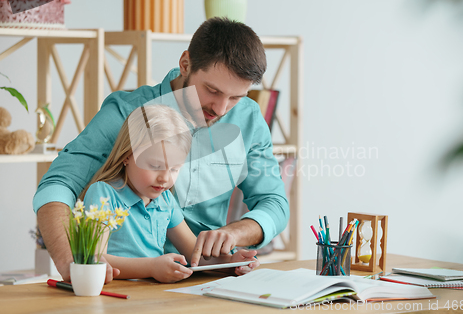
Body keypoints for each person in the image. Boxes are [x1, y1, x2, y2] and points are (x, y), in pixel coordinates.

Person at [33, 17, 289, 282]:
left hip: (204, 277)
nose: (221, 109)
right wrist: (73, 264)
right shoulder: (128, 113)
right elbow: (58, 185)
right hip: (133, 282)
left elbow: (275, 204)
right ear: (185, 64)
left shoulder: (249, 119)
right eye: (212, 90)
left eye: (236, 97)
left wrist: (233, 235)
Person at [80, 105, 258, 283]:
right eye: (155, 166)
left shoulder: (165, 200)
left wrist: (230, 264)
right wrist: (151, 267)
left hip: (155, 297)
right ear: (127, 155)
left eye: (174, 169)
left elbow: (194, 254)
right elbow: (95, 259)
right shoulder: (103, 193)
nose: (164, 178)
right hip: (115, 297)